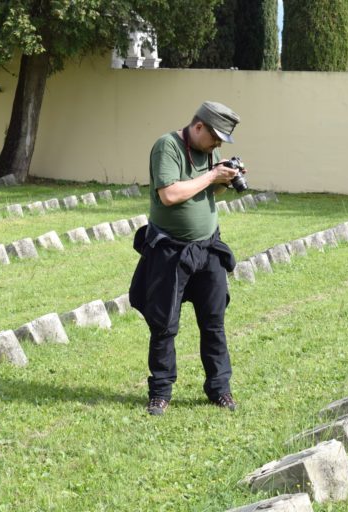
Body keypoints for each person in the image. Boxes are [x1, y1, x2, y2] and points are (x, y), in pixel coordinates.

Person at [129, 101, 244, 416]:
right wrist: (212, 176)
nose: (218, 145)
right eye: (215, 138)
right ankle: (160, 392)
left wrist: (224, 180)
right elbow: (169, 195)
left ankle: (220, 389)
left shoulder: (209, 151)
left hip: (208, 249)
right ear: (198, 127)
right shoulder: (167, 147)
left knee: (214, 322)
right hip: (170, 251)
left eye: (222, 141)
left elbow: (208, 192)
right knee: (164, 324)